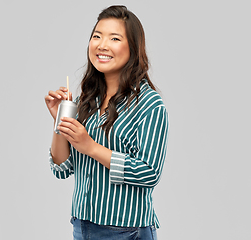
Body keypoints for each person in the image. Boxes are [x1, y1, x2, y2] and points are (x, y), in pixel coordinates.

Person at [45, 5, 168, 240]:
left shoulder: (149, 104)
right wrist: (61, 120)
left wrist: (90, 147)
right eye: (97, 36)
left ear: (133, 48)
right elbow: (62, 168)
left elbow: (150, 172)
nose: (102, 45)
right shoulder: (87, 100)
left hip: (126, 231)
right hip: (82, 227)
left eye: (114, 38)